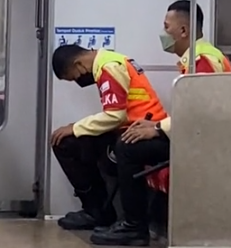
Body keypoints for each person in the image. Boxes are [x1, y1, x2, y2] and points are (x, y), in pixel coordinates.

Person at [90, 0, 231, 246]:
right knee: (130, 140)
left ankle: (134, 226)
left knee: (127, 148)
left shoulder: (202, 62)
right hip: (195, 134)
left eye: (166, 27)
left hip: (206, 141)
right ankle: (139, 221)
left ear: (184, 31)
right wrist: (157, 128)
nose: (163, 33)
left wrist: (157, 129)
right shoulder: (199, 58)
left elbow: (203, 112)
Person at [50, 43, 167, 231]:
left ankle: (102, 213)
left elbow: (115, 115)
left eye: (73, 78)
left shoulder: (109, 67)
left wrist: (75, 128)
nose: (78, 81)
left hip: (145, 133)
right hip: (130, 128)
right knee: (69, 143)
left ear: (79, 65)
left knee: (70, 142)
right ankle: (96, 211)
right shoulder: (110, 62)